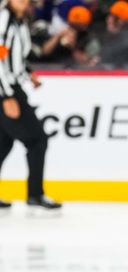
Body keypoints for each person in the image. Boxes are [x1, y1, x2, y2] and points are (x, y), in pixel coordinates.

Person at [0, 0, 61, 209]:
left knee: (3, 144)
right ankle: (35, 194)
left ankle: (35, 194)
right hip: (6, 89)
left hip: (13, 85)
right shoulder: (3, 20)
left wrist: (28, 73)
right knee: (37, 140)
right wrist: (5, 96)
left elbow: (12, 57)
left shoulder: (20, 21)